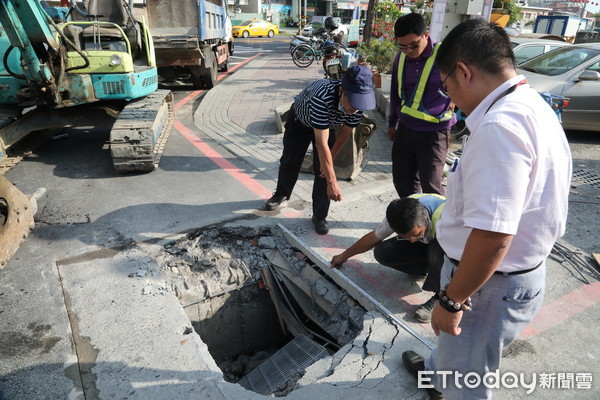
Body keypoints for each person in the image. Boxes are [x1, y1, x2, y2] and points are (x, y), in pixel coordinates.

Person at [401, 19, 572, 400]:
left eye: (446, 86)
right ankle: (435, 374)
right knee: (459, 356)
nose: (448, 99)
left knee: (469, 379)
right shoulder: (532, 104)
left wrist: (450, 300)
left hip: (486, 284)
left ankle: (447, 381)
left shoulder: (500, 127)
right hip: (506, 276)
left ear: (463, 72)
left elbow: (494, 236)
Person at [265, 65, 376, 235]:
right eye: (352, 102)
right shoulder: (322, 96)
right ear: (342, 90)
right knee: (290, 161)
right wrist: (333, 182)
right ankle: (281, 193)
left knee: (324, 170)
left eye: (360, 103)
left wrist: (328, 164)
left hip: (328, 126)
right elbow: (320, 143)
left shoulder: (357, 103)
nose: (355, 108)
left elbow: (345, 132)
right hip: (300, 122)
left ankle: (320, 215)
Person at [331, 194, 445, 322]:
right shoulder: (399, 214)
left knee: (438, 254)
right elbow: (373, 238)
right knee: (383, 252)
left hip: (448, 247)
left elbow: (463, 260)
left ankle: (439, 299)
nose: (412, 241)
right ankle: (422, 270)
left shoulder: (447, 220)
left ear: (424, 219)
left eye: (416, 234)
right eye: (406, 236)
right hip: (430, 243)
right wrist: (343, 256)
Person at [387, 13, 455, 198]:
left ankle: (436, 225)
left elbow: (463, 83)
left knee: (431, 185)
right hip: (406, 129)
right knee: (403, 181)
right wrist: (392, 123)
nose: (408, 50)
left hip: (435, 133)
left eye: (414, 45)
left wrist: (455, 100)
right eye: (402, 46)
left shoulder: (444, 56)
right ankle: (414, 222)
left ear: (426, 35)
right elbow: (395, 93)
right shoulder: (399, 59)